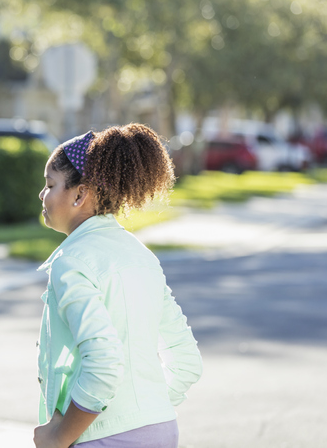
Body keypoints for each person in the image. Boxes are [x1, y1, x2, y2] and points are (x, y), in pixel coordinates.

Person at [33, 124, 203, 448]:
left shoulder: (71, 261)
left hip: (102, 437)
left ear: (80, 194)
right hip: (162, 429)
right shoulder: (141, 254)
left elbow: (104, 364)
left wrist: (59, 437)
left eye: (50, 184)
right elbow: (187, 360)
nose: (42, 194)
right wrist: (144, 412)